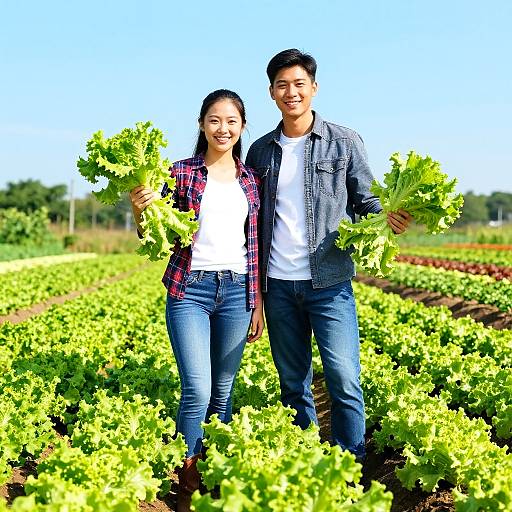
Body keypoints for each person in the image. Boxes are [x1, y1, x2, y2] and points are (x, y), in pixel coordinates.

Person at [245, 49, 411, 461]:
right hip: (279, 285)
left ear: (314, 88)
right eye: (282, 85)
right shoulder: (260, 152)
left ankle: (349, 465)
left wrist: (387, 218)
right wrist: (257, 296)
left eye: (299, 83)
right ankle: (306, 461)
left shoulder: (344, 141)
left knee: (344, 379)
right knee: (292, 382)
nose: (291, 92)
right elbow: (251, 219)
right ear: (271, 93)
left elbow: (367, 199)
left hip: (330, 282)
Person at [130, 89, 264, 511]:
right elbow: (154, 235)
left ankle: (214, 469)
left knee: (223, 392)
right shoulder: (179, 173)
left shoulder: (250, 180)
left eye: (231, 121)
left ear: (241, 128)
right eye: (214, 120)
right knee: (197, 388)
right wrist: (140, 211)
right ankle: (186, 475)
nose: (222, 129)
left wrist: (257, 299)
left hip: (237, 292)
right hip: (191, 289)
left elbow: (256, 244)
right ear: (202, 124)